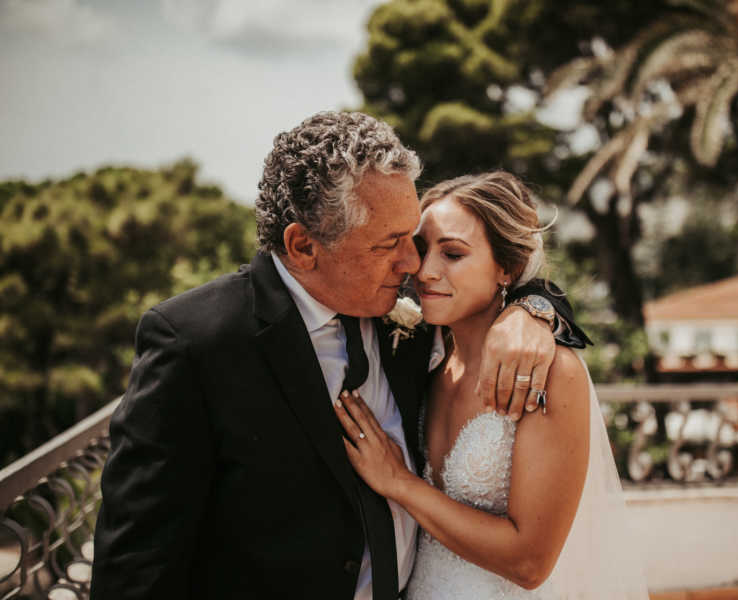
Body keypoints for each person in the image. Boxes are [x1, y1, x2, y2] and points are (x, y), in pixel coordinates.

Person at [90, 112, 589, 600]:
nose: (415, 265)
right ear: (303, 246)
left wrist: (536, 306)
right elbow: (136, 563)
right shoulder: (195, 344)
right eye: (393, 244)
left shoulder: (410, 327)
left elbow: (499, 279)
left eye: (416, 240)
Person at [333, 172, 647, 599]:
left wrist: (399, 482)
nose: (425, 272)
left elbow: (530, 563)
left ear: (508, 268)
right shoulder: (421, 357)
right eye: (422, 250)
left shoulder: (551, 373)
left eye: (454, 254)